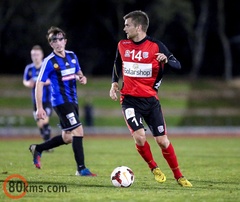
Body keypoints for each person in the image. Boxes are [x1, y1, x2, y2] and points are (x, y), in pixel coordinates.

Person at [109, 10, 192, 187]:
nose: (124, 29)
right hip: (129, 100)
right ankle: (153, 167)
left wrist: (166, 60)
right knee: (139, 138)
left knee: (162, 141)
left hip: (151, 101)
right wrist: (114, 83)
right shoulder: (122, 44)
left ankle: (179, 176)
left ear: (138, 27)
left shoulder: (156, 46)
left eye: (127, 25)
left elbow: (178, 65)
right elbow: (117, 63)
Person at [29, 26, 96, 176]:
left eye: (60, 39)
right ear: (51, 44)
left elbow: (78, 72)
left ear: (65, 41)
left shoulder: (72, 56)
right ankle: (81, 169)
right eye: (54, 40)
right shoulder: (49, 61)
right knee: (78, 131)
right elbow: (39, 84)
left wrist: (82, 77)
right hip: (60, 102)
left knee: (67, 137)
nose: (58, 42)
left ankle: (38, 148)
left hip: (73, 100)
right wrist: (39, 107)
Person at [23, 45, 53, 144]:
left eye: (37, 54)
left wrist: (45, 82)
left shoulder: (46, 66)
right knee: (40, 123)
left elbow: (52, 79)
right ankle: (45, 137)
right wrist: (29, 83)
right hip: (36, 100)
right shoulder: (29, 68)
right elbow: (25, 81)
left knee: (44, 120)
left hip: (47, 99)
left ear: (42, 55)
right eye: (33, 55)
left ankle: (47, 142)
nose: (35, 57)